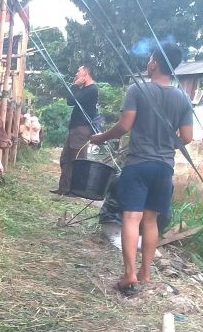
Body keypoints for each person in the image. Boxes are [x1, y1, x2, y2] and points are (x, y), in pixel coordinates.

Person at [90, 43, 194, 295]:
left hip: (138, 164)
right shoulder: (182, 97)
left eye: (150, 59)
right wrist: (166, 143)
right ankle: (145, 274)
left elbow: (125, 125)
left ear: (155, 63)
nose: (148, 63)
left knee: (131, 217)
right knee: (151, 220)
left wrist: (101, 137)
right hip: (164, 167)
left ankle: (130, 274)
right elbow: (187, 138)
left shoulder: (137, 89)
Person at [52, 63, 100, 195]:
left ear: (86, 73)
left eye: (79, 71)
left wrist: (75, 86)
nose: (76, 74)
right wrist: (77, 86)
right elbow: (70, 101)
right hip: (75, 128)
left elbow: (72, 101)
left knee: (78, 160)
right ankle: (64, 188)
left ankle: (76, 190)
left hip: (82, 129)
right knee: (66, 158)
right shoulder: (84, 89)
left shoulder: (91, 89)